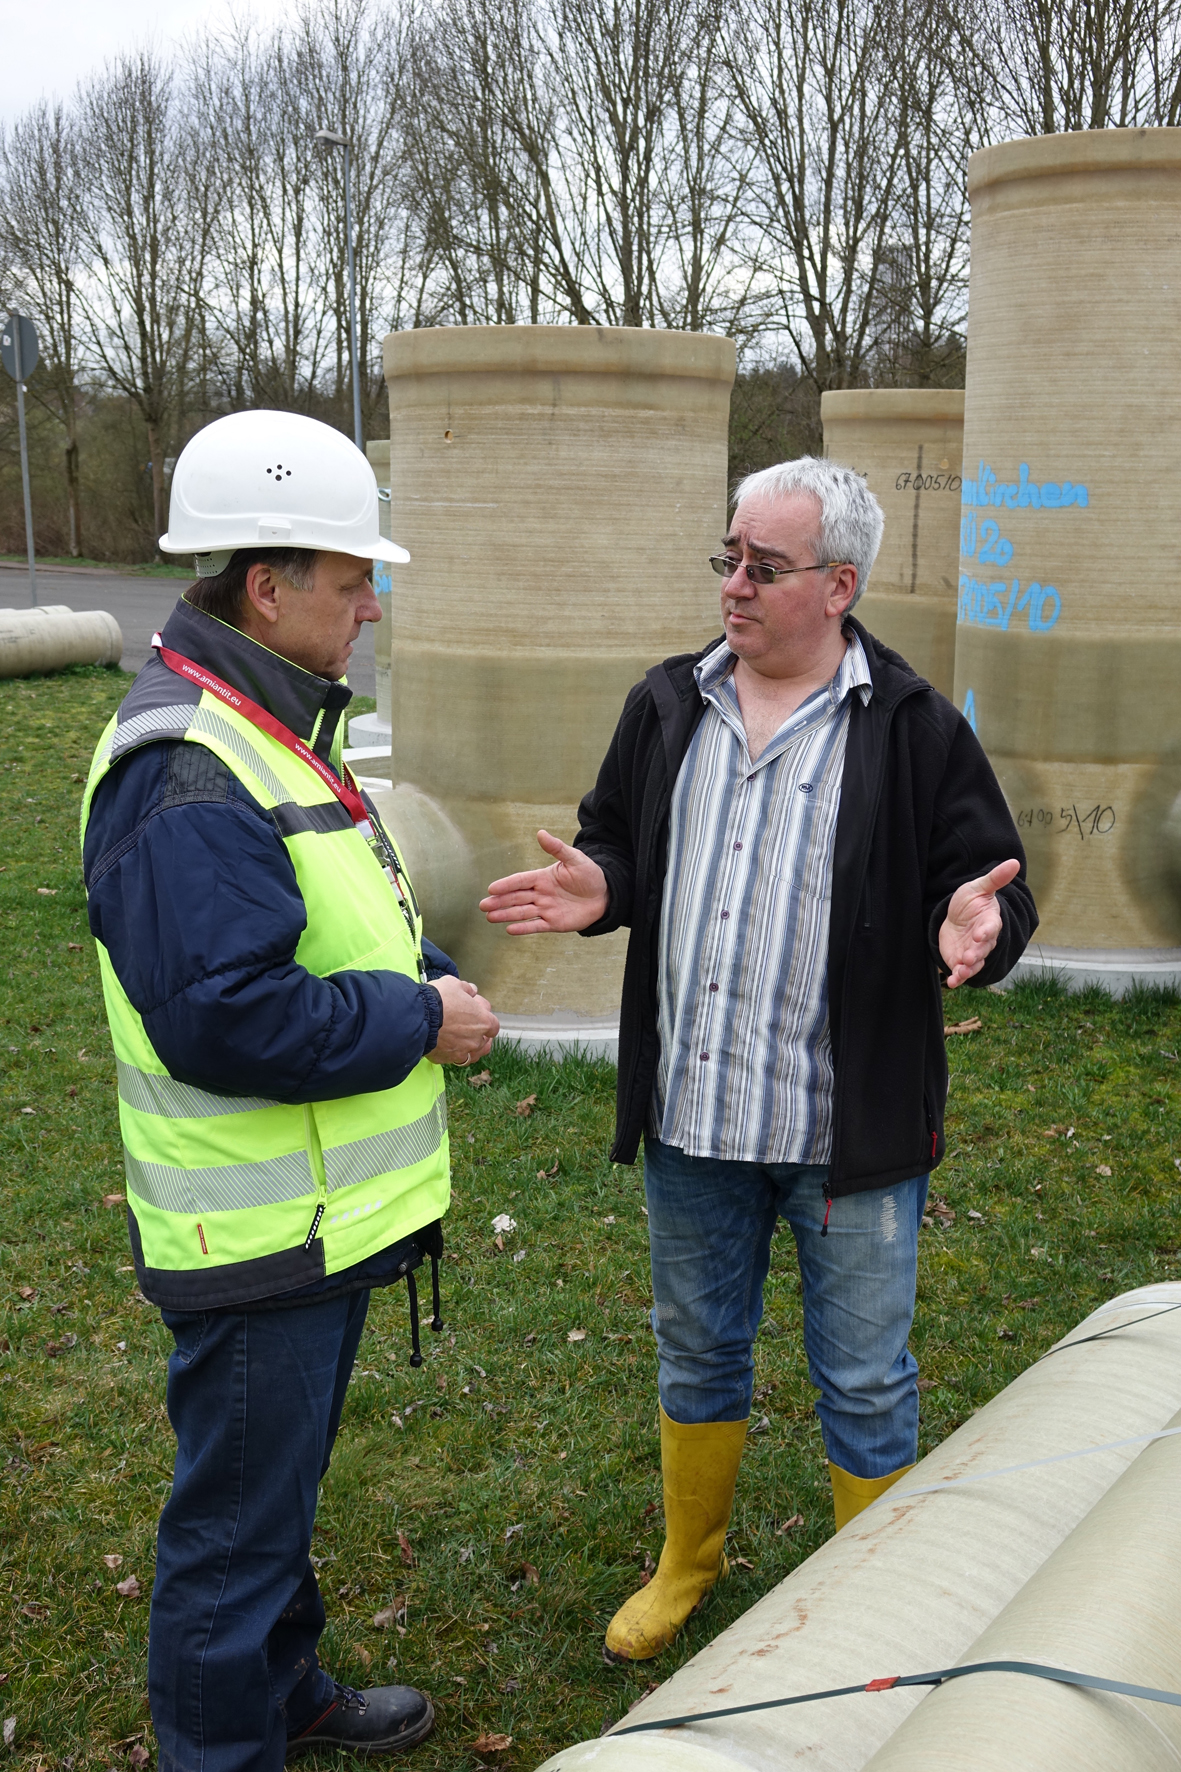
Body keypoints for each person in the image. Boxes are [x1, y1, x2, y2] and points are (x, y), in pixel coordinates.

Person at [480, 455, 1037, 1664]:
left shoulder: (913, 728)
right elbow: (617, 841)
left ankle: (870, 1607)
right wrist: (603, 885)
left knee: (865, 1377)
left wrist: (975, 927)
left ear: (838, 585)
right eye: (726, 557)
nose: (732, 583)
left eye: (762, 565)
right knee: (696, 1348)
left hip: (848, 1137)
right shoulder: (666, 702)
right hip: (693, 1118)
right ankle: (687, 1559)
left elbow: (989, 887)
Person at [81, 409, 499, 1768]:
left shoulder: (270, 721)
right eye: (352, 578)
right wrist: (419, 1018)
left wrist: (424, 971)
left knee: (274, 1495)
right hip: (258, 1235)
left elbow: (319, 922)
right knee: (234, 1531)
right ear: (267, 586)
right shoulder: (190, 767)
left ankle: (283, 1688)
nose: (370, 605)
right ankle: (225, 1742)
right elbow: (223, 1015)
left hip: (312, 1220)